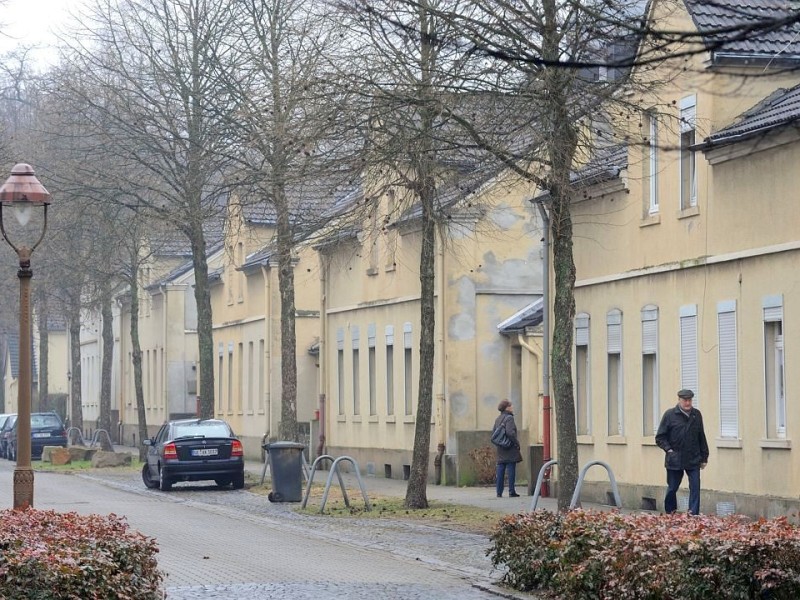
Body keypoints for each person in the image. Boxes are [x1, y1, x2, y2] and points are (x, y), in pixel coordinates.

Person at [655, 389, 709, 515]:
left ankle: (693, 515)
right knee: (672, 488)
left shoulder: (696, 415)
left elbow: (701, 436)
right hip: (675, 459)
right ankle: (671, 513)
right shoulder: (670, 415)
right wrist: (669, 450)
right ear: (679, 400)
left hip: (693, 458)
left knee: (695, 488)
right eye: (685, 400)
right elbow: (660, 437)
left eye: (689, 400)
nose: (687, 403)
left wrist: (704, 456)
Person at [494, 399, 522, 498]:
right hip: (509, 447)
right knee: (511, 469)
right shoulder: (509, 418)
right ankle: (511, 491)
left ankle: (499, 492)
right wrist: (516, 442)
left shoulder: (498, 419)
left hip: (500, 447)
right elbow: (510, 432)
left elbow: (494, 433)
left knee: (500, 469)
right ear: (507, 407)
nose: (512, 407)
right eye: (511, 405)